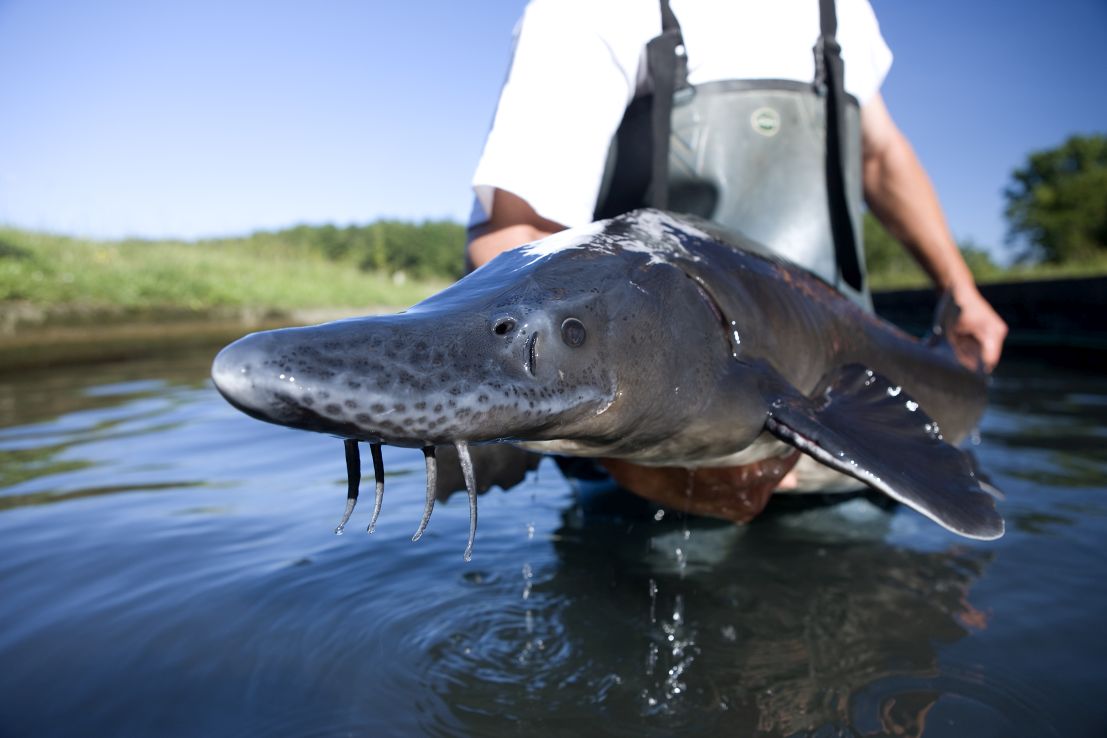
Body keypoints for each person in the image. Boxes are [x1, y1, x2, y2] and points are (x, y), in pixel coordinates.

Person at [466, 0, 1007, 371]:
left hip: (852, 399)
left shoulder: (841, 12)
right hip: (667, 434)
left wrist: (961, 292)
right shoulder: (591, 10)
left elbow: (880, 155)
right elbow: (517, 236)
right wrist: (647, 455)